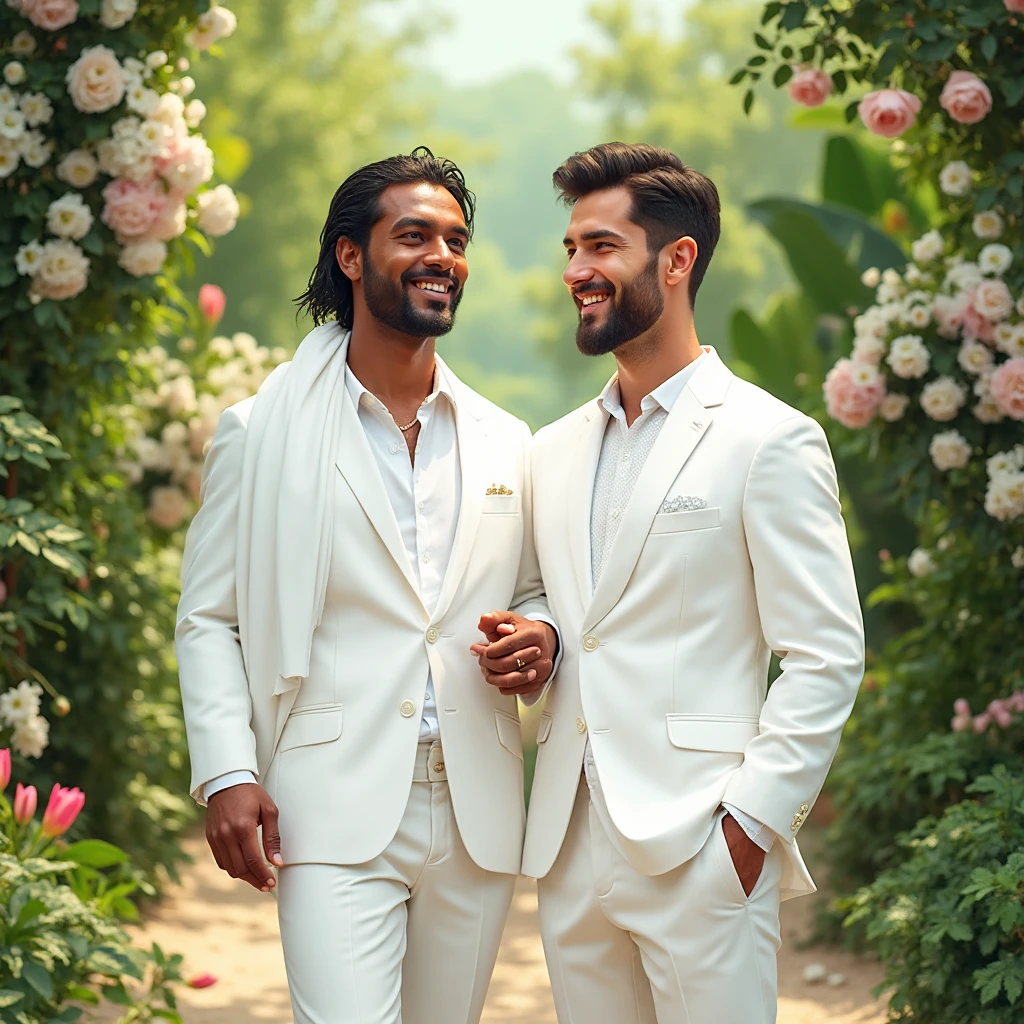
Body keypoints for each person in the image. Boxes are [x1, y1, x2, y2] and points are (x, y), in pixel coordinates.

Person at [175, 147, 559, 1024]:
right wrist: (227, 773)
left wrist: (541, 636)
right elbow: (209, 618)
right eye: (414, 234)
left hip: (476, 807)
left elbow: (534, 589)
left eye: (456, 241)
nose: (442, 257)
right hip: (328, 804)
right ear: (352, 257)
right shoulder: (259, 432)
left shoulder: (506, 439)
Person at [495, 141, 864, 1022]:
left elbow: (824, 653)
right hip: (569, 843)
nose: (578, 271)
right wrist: (540, 631)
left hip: (704, 840)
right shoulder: (552, 447)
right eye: (571, 250)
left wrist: (750, 827)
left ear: (678, 258)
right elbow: (555, 598)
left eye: (601, 248)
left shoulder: (769, 439)